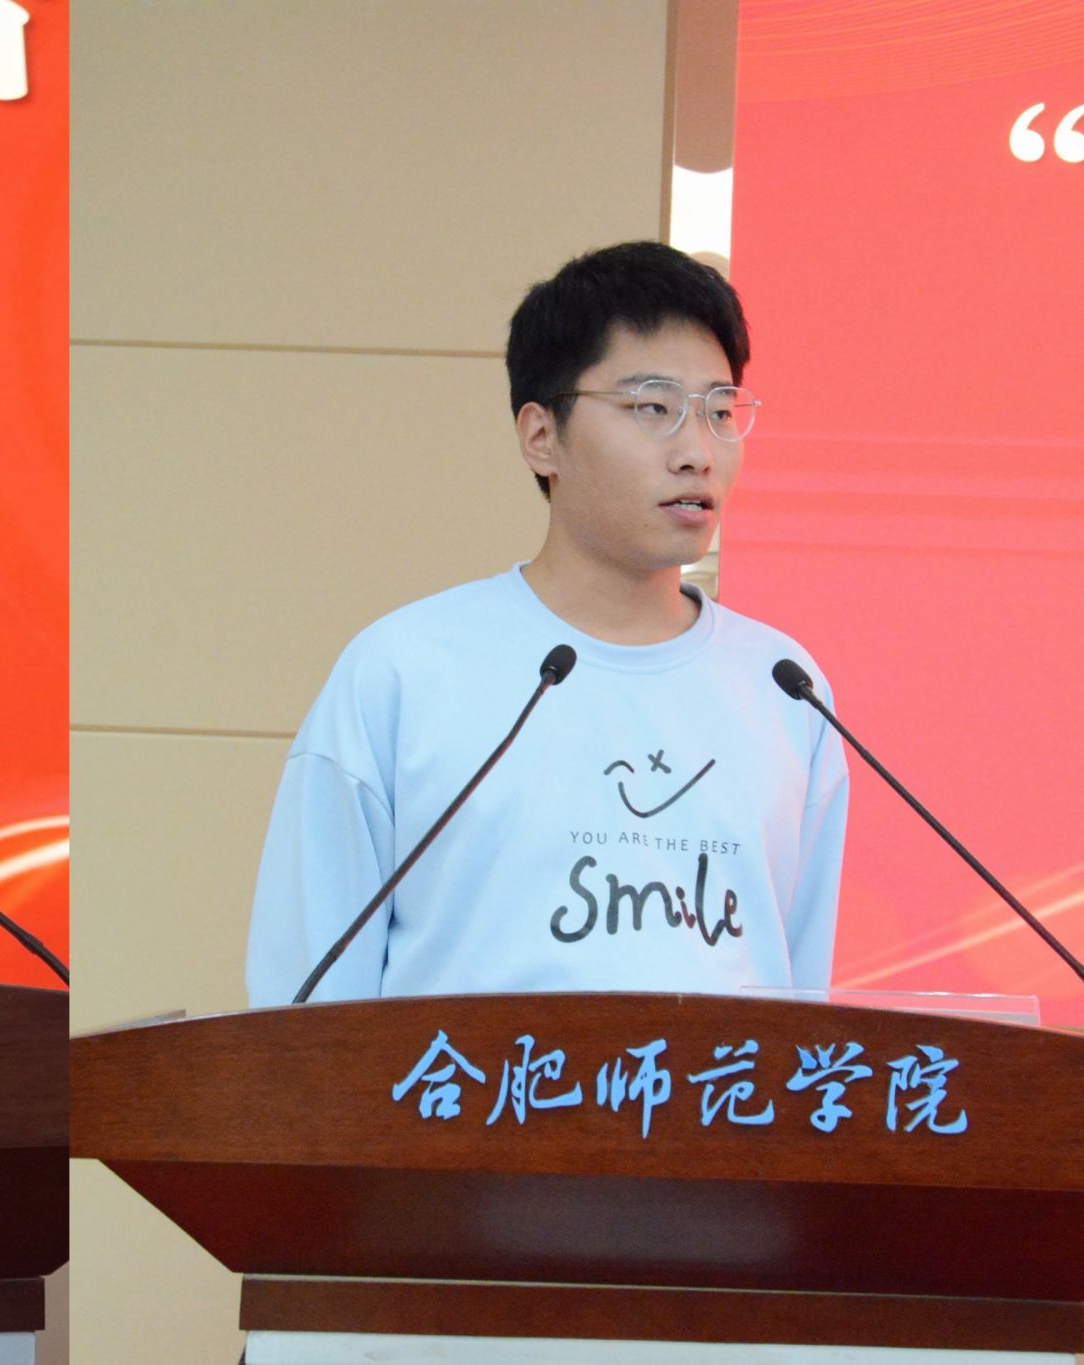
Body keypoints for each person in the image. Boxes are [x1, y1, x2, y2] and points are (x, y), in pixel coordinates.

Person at [245, 241, 847, 1006]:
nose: (698, 452)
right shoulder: (404, 672)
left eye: (720, 412)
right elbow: (302, 1005)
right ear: (541, 436)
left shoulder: (784, 688)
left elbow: (799, 1006)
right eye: (653, 408)